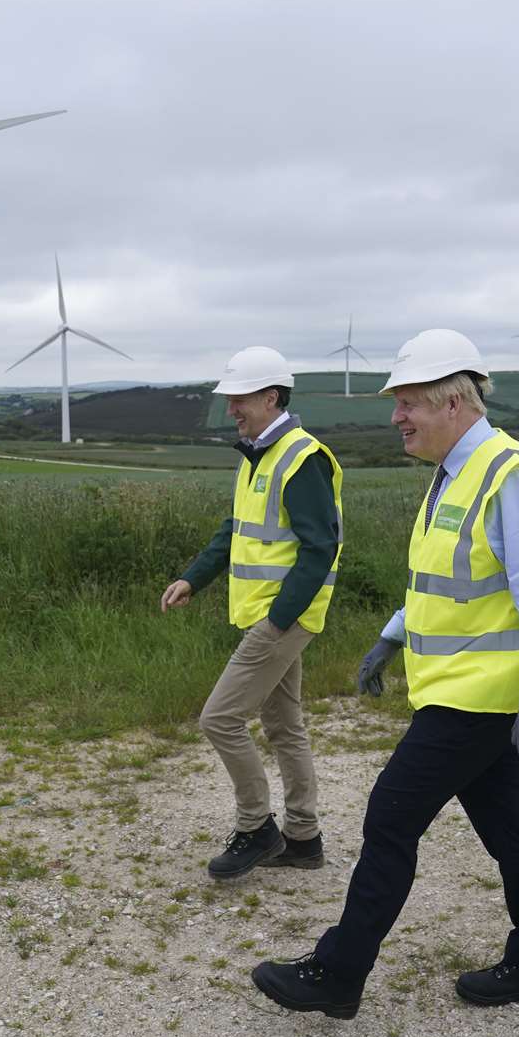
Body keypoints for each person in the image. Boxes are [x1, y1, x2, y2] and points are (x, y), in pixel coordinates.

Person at [250, 328, 519, 1019]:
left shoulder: (510, 475)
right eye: (397, 403)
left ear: (454, 403)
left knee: (390, 816)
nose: (396, 417)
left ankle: (337, 975)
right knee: (513, 832)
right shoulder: (456, 473)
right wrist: (392, 636)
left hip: (480, 700)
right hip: (459, 691)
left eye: (408, 403)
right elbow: (446, 582)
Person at [160, 346, 345, 880]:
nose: (231, 409)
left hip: (280, 618)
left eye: (239, 399)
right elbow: (235, 530)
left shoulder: (301, 457)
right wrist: (193, 577)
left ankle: (255, 827)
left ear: (271, 397)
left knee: (219, 719)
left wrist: (282, 618)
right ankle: (304, 839)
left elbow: (319, 548)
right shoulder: (258, 454)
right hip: (267, 614)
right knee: (284, 725)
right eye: (229, 400)